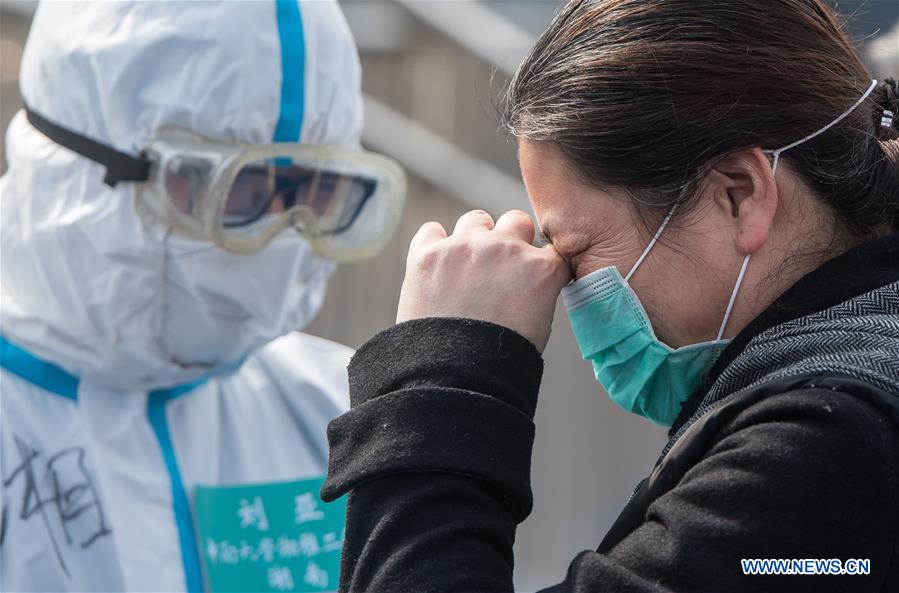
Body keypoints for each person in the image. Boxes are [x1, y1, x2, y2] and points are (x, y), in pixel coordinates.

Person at [320, 1, 899, 591]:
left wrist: (441, 374)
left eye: (577, 250)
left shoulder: (826, 441)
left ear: (739, 195)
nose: (564, 280)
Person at [0, 1, 404, 592]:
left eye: (316, 190)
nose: (280, 241)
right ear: (79, 173)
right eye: (236, 188)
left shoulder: (337, 417)